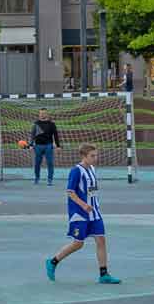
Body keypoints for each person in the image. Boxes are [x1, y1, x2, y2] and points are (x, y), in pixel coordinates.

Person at [46, 142, 119, 284]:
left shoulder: (92, 168)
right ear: (84, 156)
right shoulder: (76, 171)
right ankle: (53, 262)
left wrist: (93, 204)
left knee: (101, 240)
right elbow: (70, 192)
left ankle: (103, 274)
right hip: (80, 213)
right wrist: (84, 205)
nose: (95, 158)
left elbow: (91, 189)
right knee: (78, 243)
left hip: (94, 211)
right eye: (92, 156)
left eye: (96, 155)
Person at [30, 110, 62, 186]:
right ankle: (37, 178)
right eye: (41, 113)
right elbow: (32, 135)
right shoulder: (36, 123)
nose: (42, 114)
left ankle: (50, 179)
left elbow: (56, 135)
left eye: (44, 113)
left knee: (50, 163)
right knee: (37, 163)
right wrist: (31, 145)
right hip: (38, 146)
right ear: (39, 114)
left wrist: (58, 146)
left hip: (48, 145)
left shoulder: (52, 124)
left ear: (47, 114)